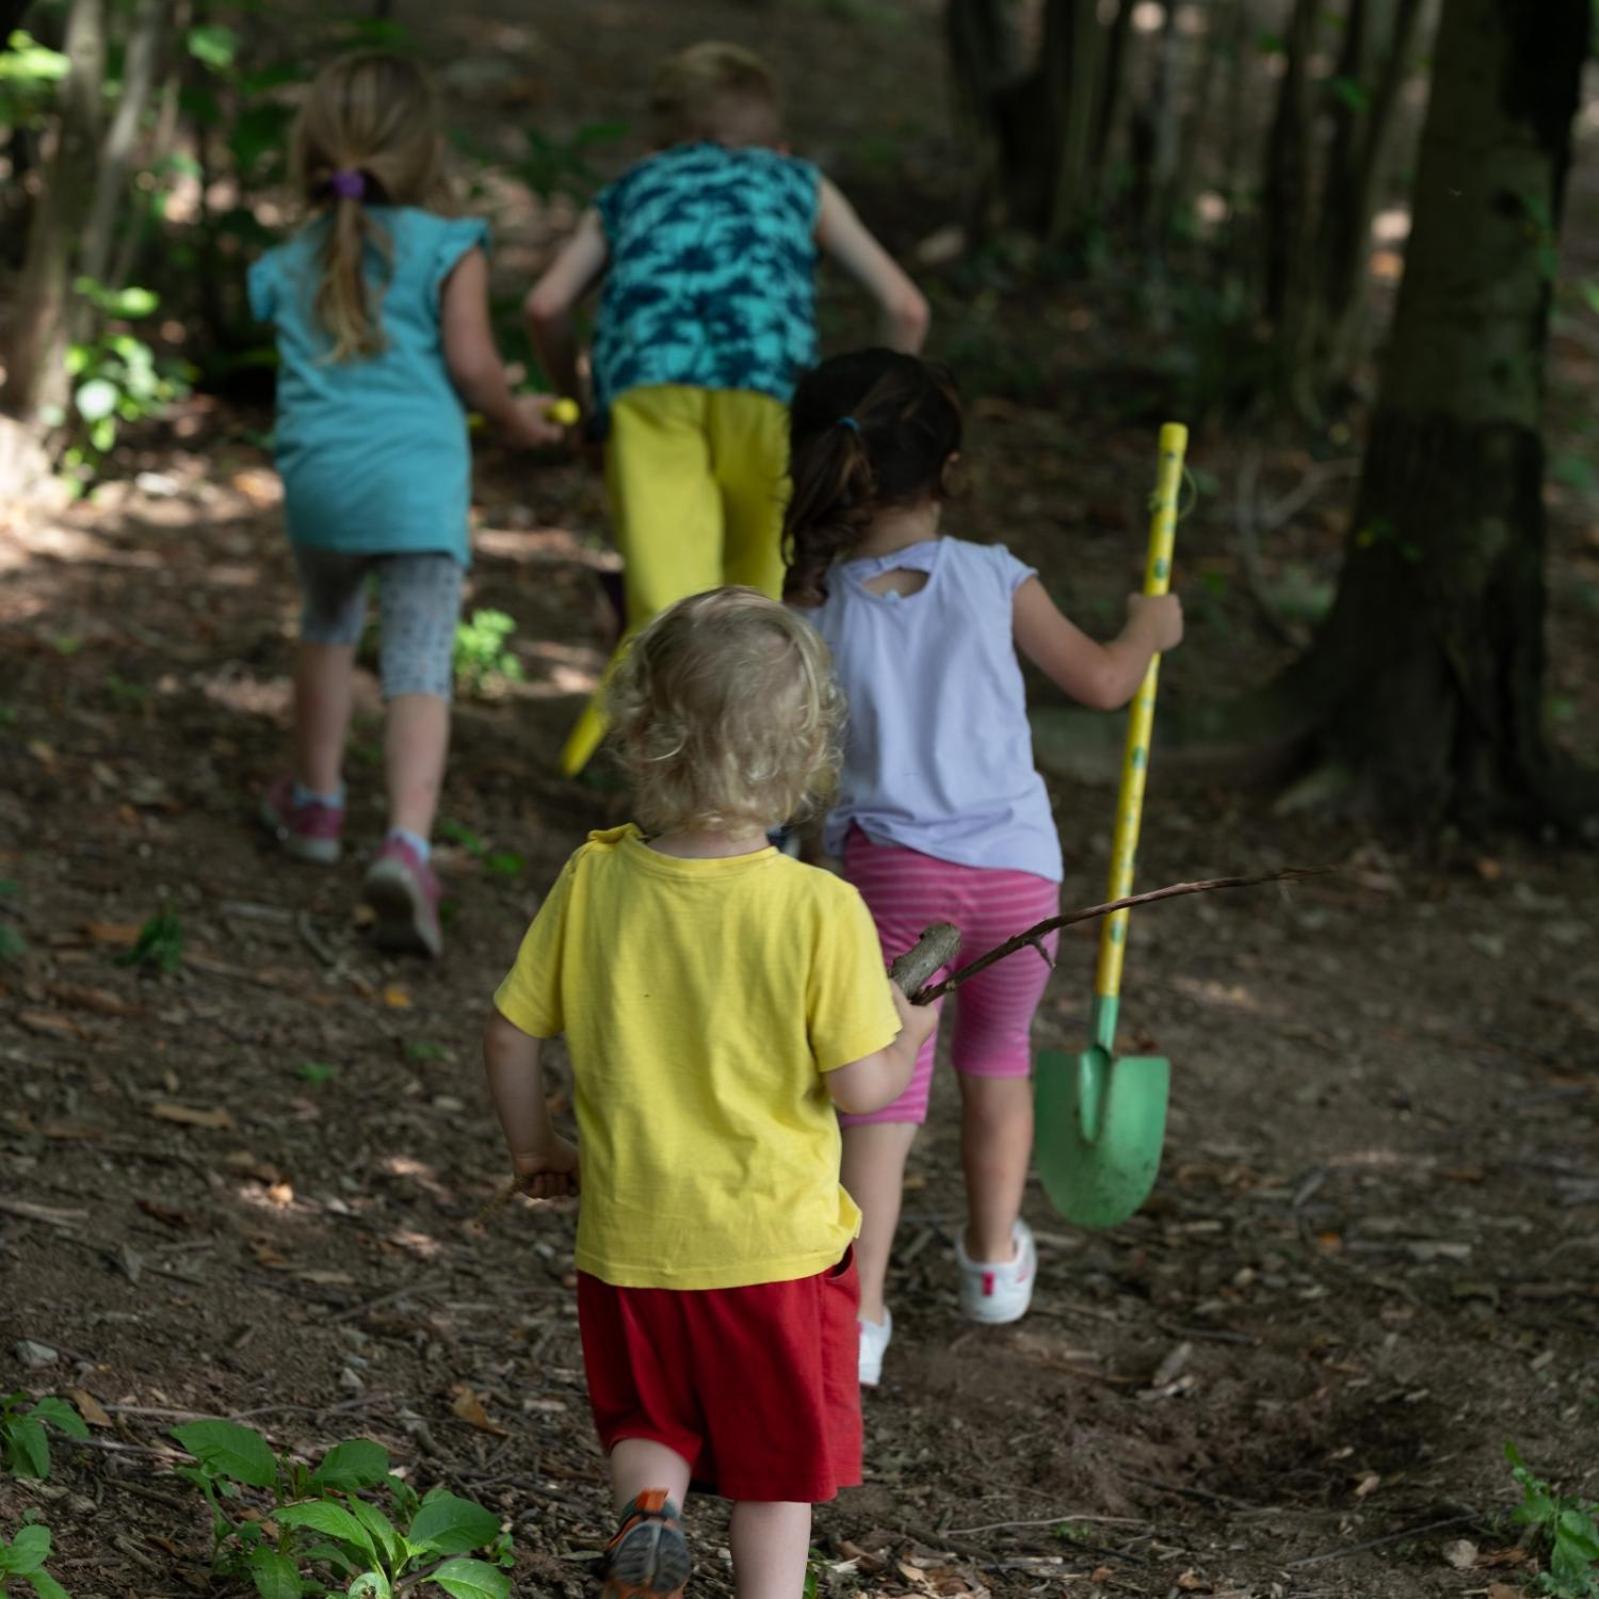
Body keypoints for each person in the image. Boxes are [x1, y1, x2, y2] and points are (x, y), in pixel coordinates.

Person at [483, 588, 937, 1599]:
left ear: (644, 732)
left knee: (652, 1423)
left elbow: (511, 1034)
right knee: (777, 1471)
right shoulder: (819, 909)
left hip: (632, 1241)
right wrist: (915, 1030)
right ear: (807, 752)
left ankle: (650, 1513)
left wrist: (534, 1152)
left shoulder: (594, 880)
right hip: (775, 1254)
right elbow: (864, 1087)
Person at [783, 349, 1185, 1386]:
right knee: (997, 1060)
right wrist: (1149, 625)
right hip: (1015, 880)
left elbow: (791, 757)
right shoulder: (994, 575)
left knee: (884, 1095)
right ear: (947, 470)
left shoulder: (814, 606)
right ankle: (995, 1263)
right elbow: (1101, 680)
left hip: (893, 880)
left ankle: (860, 1318)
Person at [523, 40, 930, 777]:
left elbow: (547, 304)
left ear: (659, 141)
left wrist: (576, 404)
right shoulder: (796, 180)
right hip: (769, 399)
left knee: (669, 610)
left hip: (649, 393)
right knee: (763, 602)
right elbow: (904, 306)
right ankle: (756, 794)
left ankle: (668, 798)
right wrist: (865, 420)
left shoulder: (635, 183)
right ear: (776, 141)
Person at [250, 52, 566, 956]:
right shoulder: (447, 242)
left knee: (326, 624)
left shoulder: (286, 258)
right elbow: (471, 364)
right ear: (423, 147)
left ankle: (314, 805)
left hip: (319, 483)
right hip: (418, 487)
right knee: (419, 660)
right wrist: (513, 417)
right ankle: (406, 844)